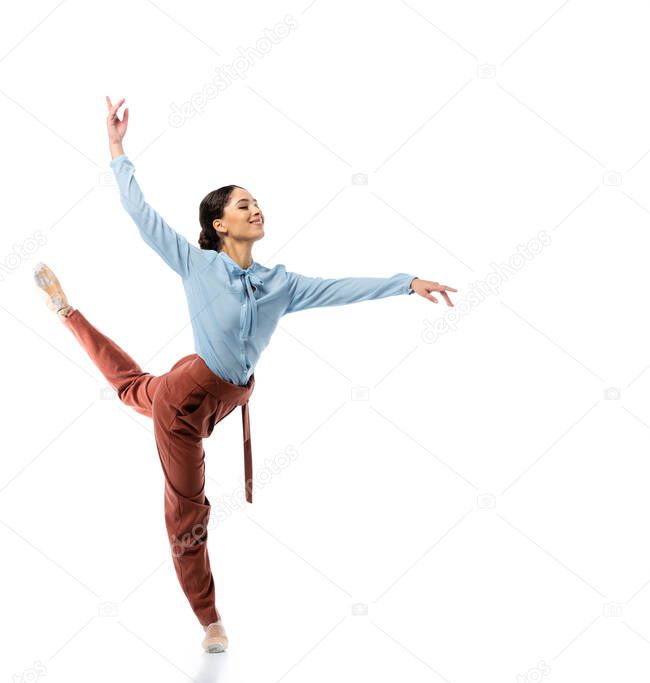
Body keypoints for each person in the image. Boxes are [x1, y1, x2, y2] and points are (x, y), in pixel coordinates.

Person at [32, 95, 457, 653]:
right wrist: (117, 149)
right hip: (187, 405)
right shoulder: (196, 263)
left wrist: (406, 282)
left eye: (257, 201)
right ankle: (209, 619)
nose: (256, 208)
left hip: (213, 390)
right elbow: (141, 215)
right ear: (218, 222)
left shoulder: (282, 283)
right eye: (242, 204)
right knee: (188, 510)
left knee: (134, 387)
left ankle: (68, 314)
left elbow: (340, 289)